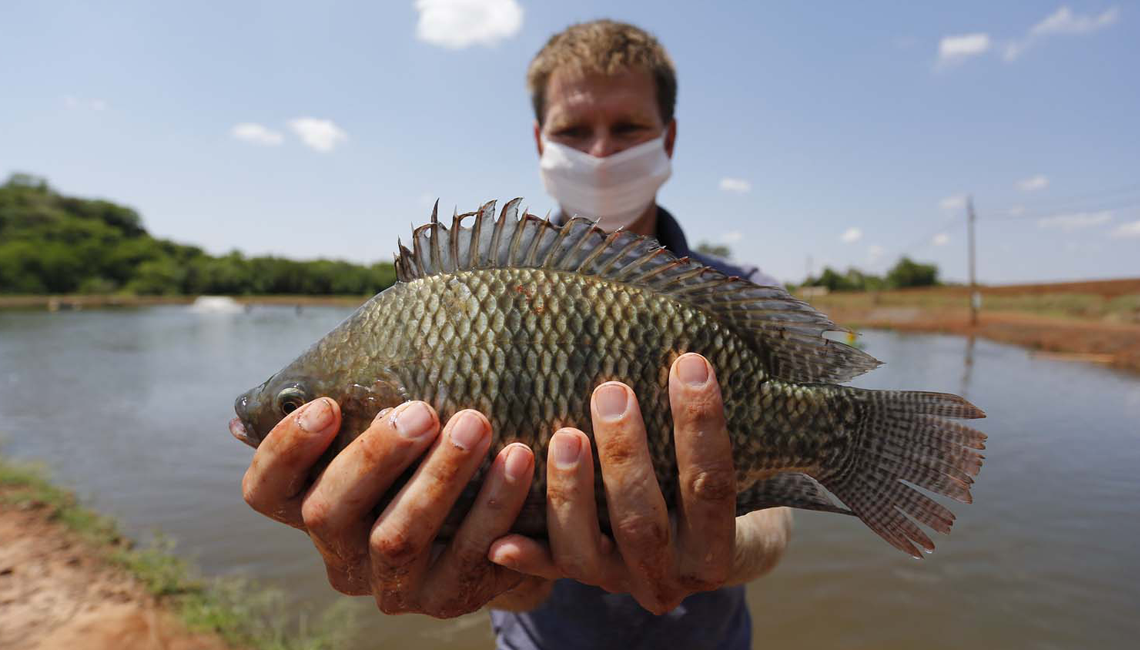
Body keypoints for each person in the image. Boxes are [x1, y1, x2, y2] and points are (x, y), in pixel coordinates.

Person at [240, 19, 790, 650]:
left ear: (667, 136)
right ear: (540, 140)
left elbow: (774, 524)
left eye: (629, 127)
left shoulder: (744, 296)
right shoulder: (468, 291)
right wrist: (499, 571)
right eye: (574, 130)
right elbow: (507, 556)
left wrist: (721, 542)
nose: (602, 152)